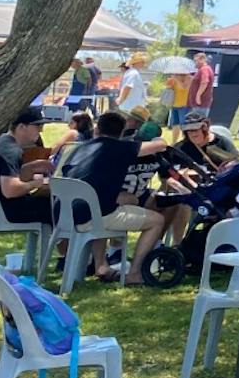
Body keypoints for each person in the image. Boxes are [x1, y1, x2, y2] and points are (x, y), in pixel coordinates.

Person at [62, 109, 171, 284]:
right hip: (92, 217)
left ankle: (101, 265)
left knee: (103, 209)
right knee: (157, 221)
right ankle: (135, 273)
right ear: (121, 133)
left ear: (96, 129)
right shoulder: (119, 148)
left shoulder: (78, 149)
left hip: (63, 214)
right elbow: (160, 146)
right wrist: (159, 140)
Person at [0, 108, 55, 225]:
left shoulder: (2, 142)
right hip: (2, 212)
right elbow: (10, 191)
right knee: (58, 206)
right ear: (22, 127)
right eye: (38, 126)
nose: (41, 130)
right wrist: (38, 183)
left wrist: (31, 168)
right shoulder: (11, 150)